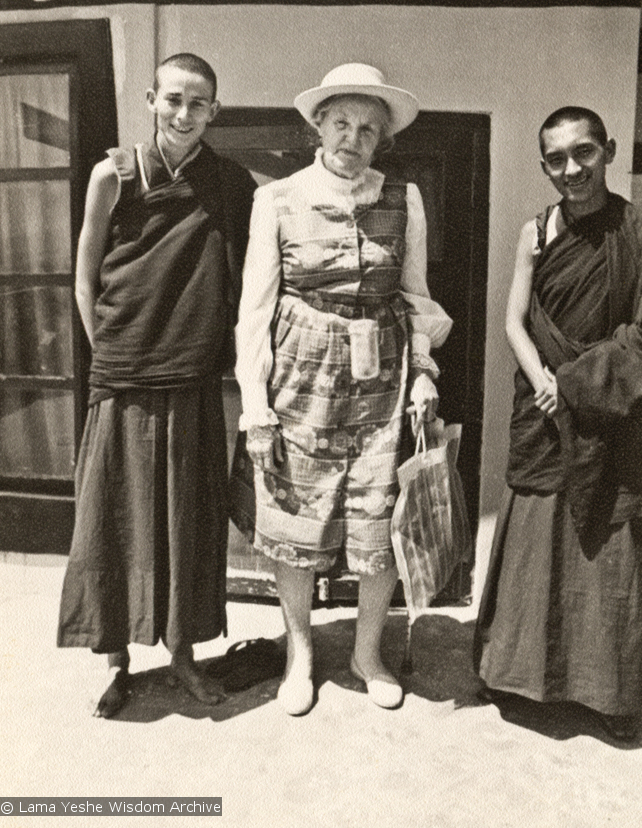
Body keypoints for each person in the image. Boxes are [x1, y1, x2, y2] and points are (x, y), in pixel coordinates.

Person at [230, 63, 452, 715]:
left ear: (382, 139)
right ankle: (299, 655)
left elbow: (415, 296)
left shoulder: (404, 198)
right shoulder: (275, 199)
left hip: (383, 385)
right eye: (341, 123)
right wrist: (256, 405)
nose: (353, 136)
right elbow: (255, 309)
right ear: (317, 128)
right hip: (300, 381)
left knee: (380, 522)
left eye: (367, 128)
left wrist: (422, 374)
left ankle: (366, 654)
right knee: (296, 523)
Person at [57, 53, 256, 717]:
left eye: (198, 104)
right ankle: (115, 664)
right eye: (172, 99)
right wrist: (108, 350)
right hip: (123, 373)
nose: (183, 114)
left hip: (192, 375)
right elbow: (84, 277)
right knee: (114, 518)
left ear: (214, 112)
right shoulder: (112, 175)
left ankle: (181, 658)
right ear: (150, 99)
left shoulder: (229, 183)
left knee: (187, 522)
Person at [474, 106, 642, 741]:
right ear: (543, 165)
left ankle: (609, 693)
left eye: (585, 152)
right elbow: (515, 320)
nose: (572, 169)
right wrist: (544, 381)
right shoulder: (538, 231)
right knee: (538, 536)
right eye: (556, 159)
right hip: (545, 406)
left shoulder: (637, 227)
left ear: (610, 149)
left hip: (613, 406)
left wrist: (572, 386)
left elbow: (640, 333)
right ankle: (523, 680)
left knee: (609, 538)